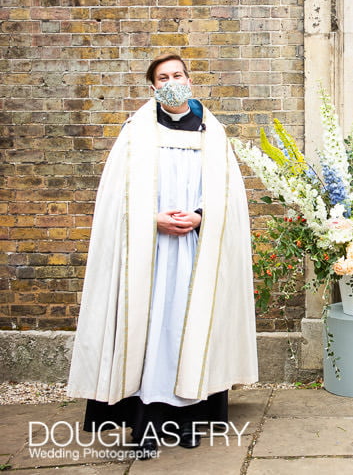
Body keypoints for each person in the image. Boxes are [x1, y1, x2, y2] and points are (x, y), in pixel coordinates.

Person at [67, 53, 258, 455]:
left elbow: (230, 196)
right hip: (148, 252)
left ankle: (188, 422)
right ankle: (146, 426)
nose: (172, 81)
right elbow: (115, 196)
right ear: (153, 87)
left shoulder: (212, 132)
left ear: (189, 80)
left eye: (178, 75)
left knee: (187, 328)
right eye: (163, 77)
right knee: (152, 330)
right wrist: (150, 218)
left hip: (194, 248)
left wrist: (201, 215)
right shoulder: (136, 132)